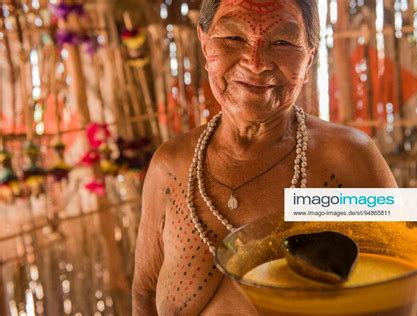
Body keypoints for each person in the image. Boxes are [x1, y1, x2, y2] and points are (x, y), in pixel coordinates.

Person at [132, 0, 397, 314]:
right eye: (233, 38)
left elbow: (403, 292)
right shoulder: (169, 168)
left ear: (309, 59)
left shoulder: (348, 161)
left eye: (283, 42)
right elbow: (144, 296)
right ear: (205, 45)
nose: (256, 63)